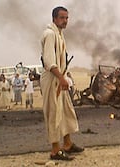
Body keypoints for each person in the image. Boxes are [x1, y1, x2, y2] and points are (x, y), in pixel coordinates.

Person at [40, 6, 84, 161]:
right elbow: (49, 62)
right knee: (53, 113)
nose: (65, 21)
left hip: (60, 79)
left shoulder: (59, 34)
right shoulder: (50, 34)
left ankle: (67, 144)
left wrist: (64, 78)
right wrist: (61, 78)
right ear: (54, 19)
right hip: (53, 79)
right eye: (62, 18)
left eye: (66, 18)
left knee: (65, 111)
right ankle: (55, 150)